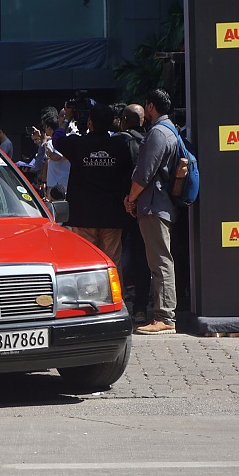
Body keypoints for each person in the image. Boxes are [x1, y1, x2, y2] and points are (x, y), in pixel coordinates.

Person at [124, 89, 179, 335]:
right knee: (159, 259)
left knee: (160, 261)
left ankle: (164, 317)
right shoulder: (171, 129)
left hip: (154, 204)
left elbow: (144, 173)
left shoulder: (158, 132)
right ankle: (163, 314)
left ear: (150, 106)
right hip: (160, 203)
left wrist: (130, 198)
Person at [54, 104, 133, 268]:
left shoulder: (78, 144)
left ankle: (89, 294)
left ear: (90, 123)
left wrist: (67, 118)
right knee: (112, 264)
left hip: (83, 216)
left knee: (85, 264)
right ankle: (115, 294)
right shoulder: (120, 145)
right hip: (112, 215)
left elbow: (57, 139)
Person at [115, 103, 150, 325]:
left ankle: (118, 304)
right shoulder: (149, 140)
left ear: (124, 121)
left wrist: (126, 199)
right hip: (144, 206)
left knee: (118, 254)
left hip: (122, 207)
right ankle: (140, 308)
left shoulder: (119, 141)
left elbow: (115, 175)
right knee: (142, 257)